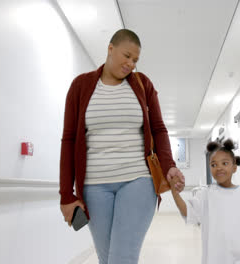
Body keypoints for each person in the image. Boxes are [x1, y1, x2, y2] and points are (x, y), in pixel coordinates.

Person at [59, 28, 185, 264]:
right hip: (94, 187)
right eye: (127, 56)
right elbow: (68, 141)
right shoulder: (81, 86)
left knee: (121, 259)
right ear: (110, 48)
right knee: (107, 260)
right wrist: (66, 194)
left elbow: (158, 129)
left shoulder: (142, 84)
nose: (131, 64)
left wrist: (169, 166)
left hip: (137, 180)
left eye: (135, 60)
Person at [169, 139, 240, 264]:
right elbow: (187, 211)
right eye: (214, 165)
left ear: (234, 168)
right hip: (213, 259)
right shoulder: (205, 195)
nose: (219, 168)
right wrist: (174, 192)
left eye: (224, 163)